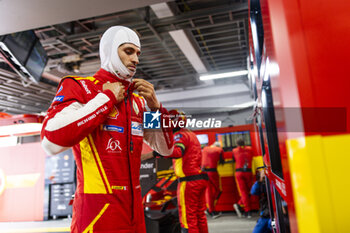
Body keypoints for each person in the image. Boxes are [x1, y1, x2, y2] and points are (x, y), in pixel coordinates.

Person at [41, 26, 174, 233]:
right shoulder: (79, 87)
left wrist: (156, 109)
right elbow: (51, 141)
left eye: (138, 53)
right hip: (97, 212)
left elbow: (166, 150)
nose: (136, 60)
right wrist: (107, 99)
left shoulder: (138, 102)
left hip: (134, 211)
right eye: (128, 51)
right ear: (110, 50)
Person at [144, 109, 208, 233]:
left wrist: (152, 154)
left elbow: (178, 152)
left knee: (187, 217)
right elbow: (189, 156)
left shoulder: (179, 135)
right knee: (200, 216)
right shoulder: (191, 134)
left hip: (188, 182)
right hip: (199, 179)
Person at [201, 141, 225, 219]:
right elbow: (222, 161)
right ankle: (211, 210)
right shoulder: (219, 150)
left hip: (203, 173)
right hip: (213, 172)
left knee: (208, 192)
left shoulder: (204, 149)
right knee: (219, 190)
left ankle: (211, 210)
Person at [232, 137, 254, 218]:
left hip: (239, 173)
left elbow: (234, 159)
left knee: (243, 192)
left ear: (237, 144)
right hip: (248, 171)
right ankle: (241, 206)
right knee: (250, 191)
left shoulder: (234, 151)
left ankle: (246, 209)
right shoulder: (250, 149)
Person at [251, 168, 272, 233]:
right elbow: (253, 192)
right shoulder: (262, 184)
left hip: (275, 215)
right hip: (265, 215)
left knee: (271, 226)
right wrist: (260, 180)